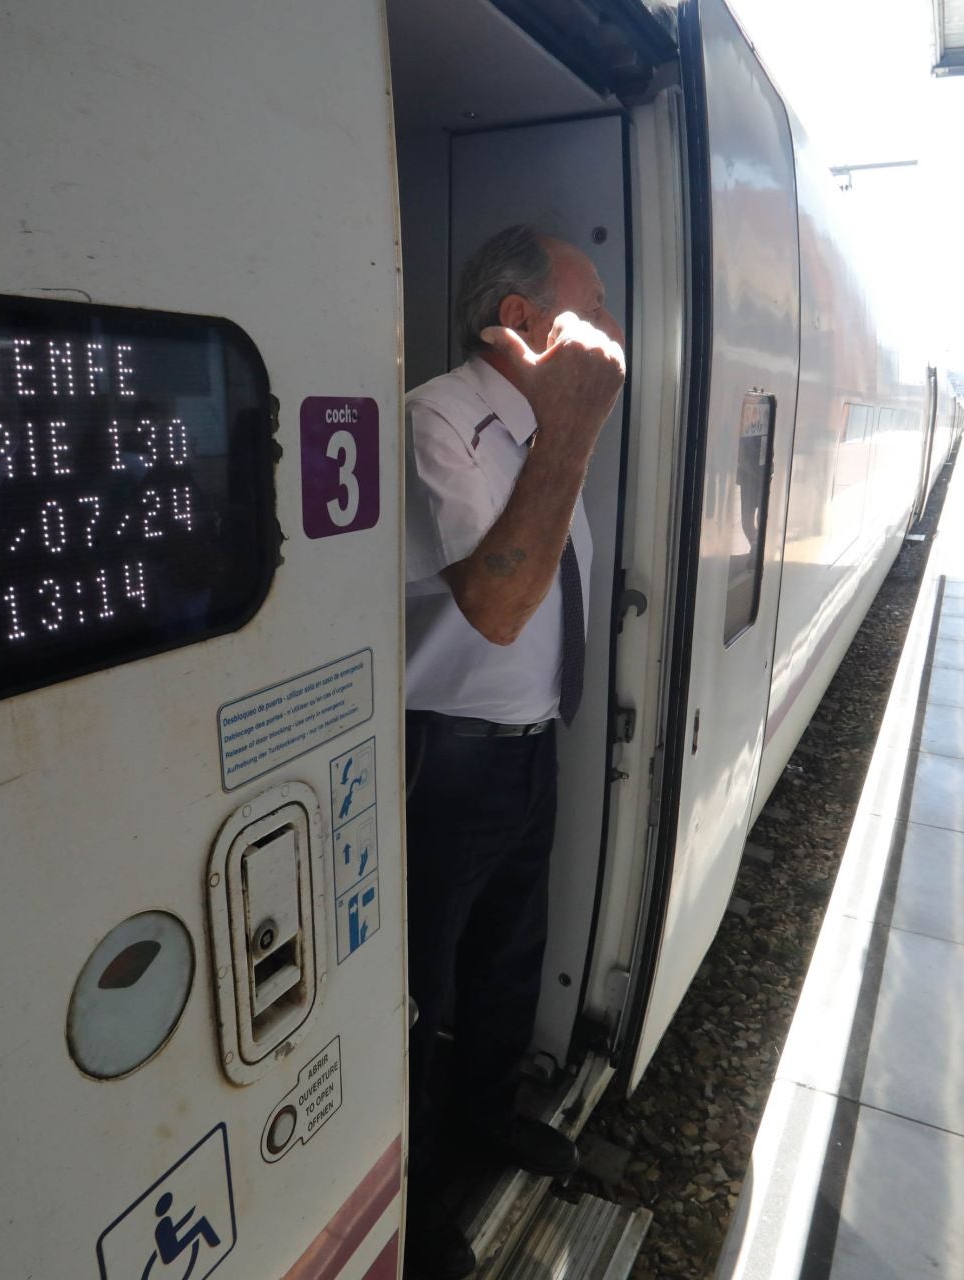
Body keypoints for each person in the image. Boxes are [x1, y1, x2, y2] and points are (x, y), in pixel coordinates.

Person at [402, 225, 625, 1277]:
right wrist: (572, 435)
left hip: (528, 746)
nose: (611, 337)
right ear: (521, 320)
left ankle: (485, 1127)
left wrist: (562, 434)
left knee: (504, 965)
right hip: (440, 755)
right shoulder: (437, 419)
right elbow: (495, 603)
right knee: (421, 990)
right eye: (591, 313)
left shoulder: (538, 434)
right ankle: (409, 1195)